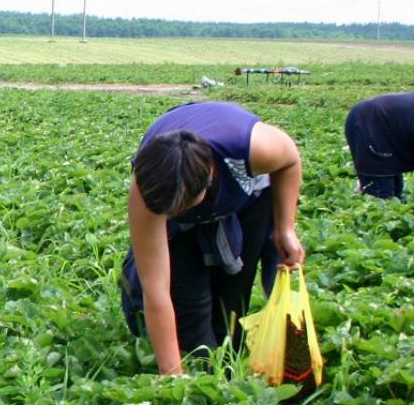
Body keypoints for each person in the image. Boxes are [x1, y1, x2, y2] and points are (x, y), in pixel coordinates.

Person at [118, 101, 306, 376]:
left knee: (233, 295)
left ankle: (231, 357)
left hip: (248, 199)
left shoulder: (252, 149)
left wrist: (285, 229)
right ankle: (205, 367)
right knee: (189, 311)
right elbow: (155, 290)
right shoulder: (149, 191)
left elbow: (290, 159)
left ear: (208, 180)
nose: (174, 213)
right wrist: (173, 376)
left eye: (182, 207)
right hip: (179, 193)